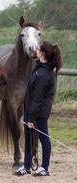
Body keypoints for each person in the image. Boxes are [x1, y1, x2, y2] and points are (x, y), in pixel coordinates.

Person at [15, 41, 62, 176]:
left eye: (38, 48)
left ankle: (45, 168)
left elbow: (37, 98)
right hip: (32, 111)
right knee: (29, 139)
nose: (35, 49)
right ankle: (27, 166)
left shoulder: (43, 74)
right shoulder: (39, 69)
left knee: (43, 138)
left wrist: (31, 117)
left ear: (42, 54)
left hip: (39, 113)